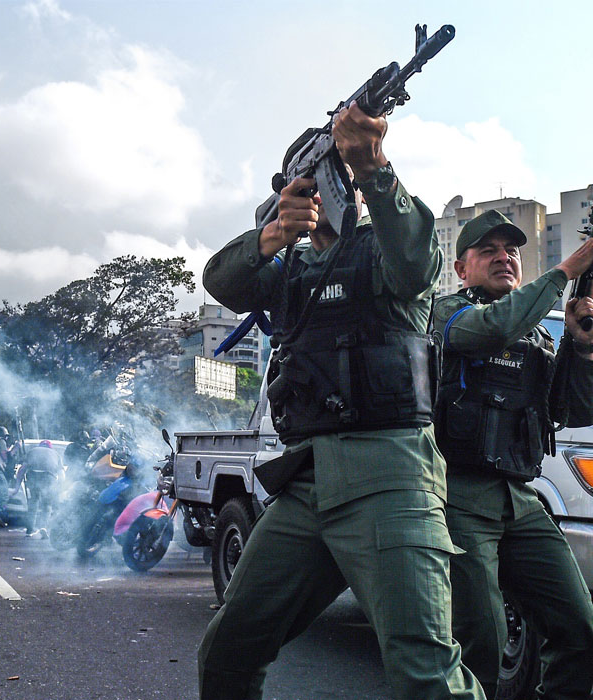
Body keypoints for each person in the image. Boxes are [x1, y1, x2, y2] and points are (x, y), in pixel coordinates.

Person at [197, 102, 483, 699]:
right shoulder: (289, 269)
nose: (332, 191)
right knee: (227, 652)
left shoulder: (385, 247)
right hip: (307, 482)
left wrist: (374, 165)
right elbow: (221, 280)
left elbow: (414, 264)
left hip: (392, 477)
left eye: (337, 178)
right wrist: (273, 234)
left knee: (427, 676)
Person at [431, 210, 593, 698]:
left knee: (578, 629)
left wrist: (584, 346)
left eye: (511, 251)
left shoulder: (539, 335)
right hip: (458, 496)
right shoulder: (447, 313)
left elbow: (579, 411)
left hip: (521, 499)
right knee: (481, 640)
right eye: (488, 250)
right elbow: (490, 330)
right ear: (461, 267)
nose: (504, 258)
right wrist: (564, 273)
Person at [14, 440, 63, 538]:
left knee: (33, 503)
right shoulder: (56, 454)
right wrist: (59, 487)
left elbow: (22, 469)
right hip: (49, 477)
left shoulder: (32, 451)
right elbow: (62, 474)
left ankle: (29, 530)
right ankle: (43, 527)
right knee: (47, 504)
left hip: (33, 475)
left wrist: (17, 487)